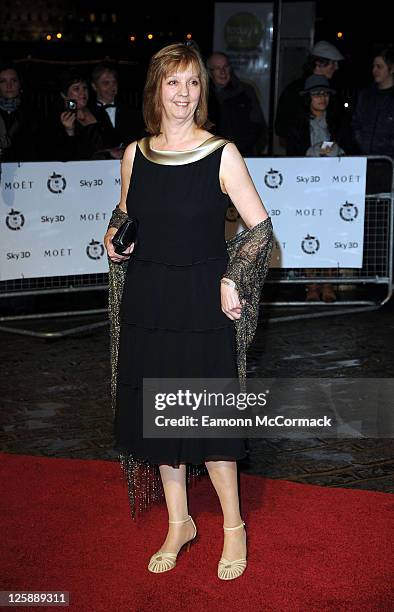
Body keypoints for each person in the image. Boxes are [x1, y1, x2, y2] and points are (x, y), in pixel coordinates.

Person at [104, 43, 273, 580]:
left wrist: (233, 277)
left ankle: (232, 526)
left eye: (193, 83)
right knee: (159, 421)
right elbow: (125, 214)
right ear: (157, 89)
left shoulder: (221, 153)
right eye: (174, 83)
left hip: (201, 299)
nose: (184, 93)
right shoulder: (135, 153)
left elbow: (260, 231)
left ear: (203, 91)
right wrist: (114, 237)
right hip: (148, 299)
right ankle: (179, 522)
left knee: (207, 415)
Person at [286, 75, 351, 302]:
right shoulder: (297, 125)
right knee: (308, 234)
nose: (322, 98)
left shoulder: (339, 122)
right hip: (306, 189)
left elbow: (348, 147)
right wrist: (315, 152)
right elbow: (294, 153)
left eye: (325, 93)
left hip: (333, 187)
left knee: (332, 234)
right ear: (308, 98)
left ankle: (328, 285)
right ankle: (311, 285)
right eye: (316, 94)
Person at [275, 40, 344, 147]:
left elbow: (339, 128)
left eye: (325, 94)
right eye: (333, 63)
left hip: (328, 158)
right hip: (301, 158)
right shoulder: (294, 92)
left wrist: (326, 149)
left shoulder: (334, 92)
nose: (337, 67)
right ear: (319, 63)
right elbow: (282, 129)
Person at [207, 52, 268, 156]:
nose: (223, 72)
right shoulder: (202, 95)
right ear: (209, 72)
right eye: (217, 68)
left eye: (225, 67)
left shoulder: (246, 91)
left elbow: (259, 125)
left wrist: (254, 149)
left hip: (244, 156)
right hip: (212, 157)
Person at [47, 69, 111, 161]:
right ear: (64, 94)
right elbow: (60, 156)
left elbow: (112, 140)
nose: (83, 93)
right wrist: (69, 132)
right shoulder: (55, 120)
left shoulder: (99, 112)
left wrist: (112, 151)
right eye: (76, 89)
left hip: (104, 168)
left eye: (85, 88)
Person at [90, 64, 145, 159]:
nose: (112, 87)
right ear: (94, 86)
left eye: (114, 82)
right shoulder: (88, 112)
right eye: (106, 83)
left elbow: (139, 140)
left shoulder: (132, 112)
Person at [352, 47, 394, 158]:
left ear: (392, 68)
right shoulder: (365, 95)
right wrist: (360, 143)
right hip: (364, 160)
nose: (374, 71)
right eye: (373, 66)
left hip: (389, 163)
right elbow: (356, 123)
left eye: (379, 67)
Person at [0, 63, 40, 161]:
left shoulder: (32, 114)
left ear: (20, 84)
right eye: (3, 81)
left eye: (13, 81)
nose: (9, 86)